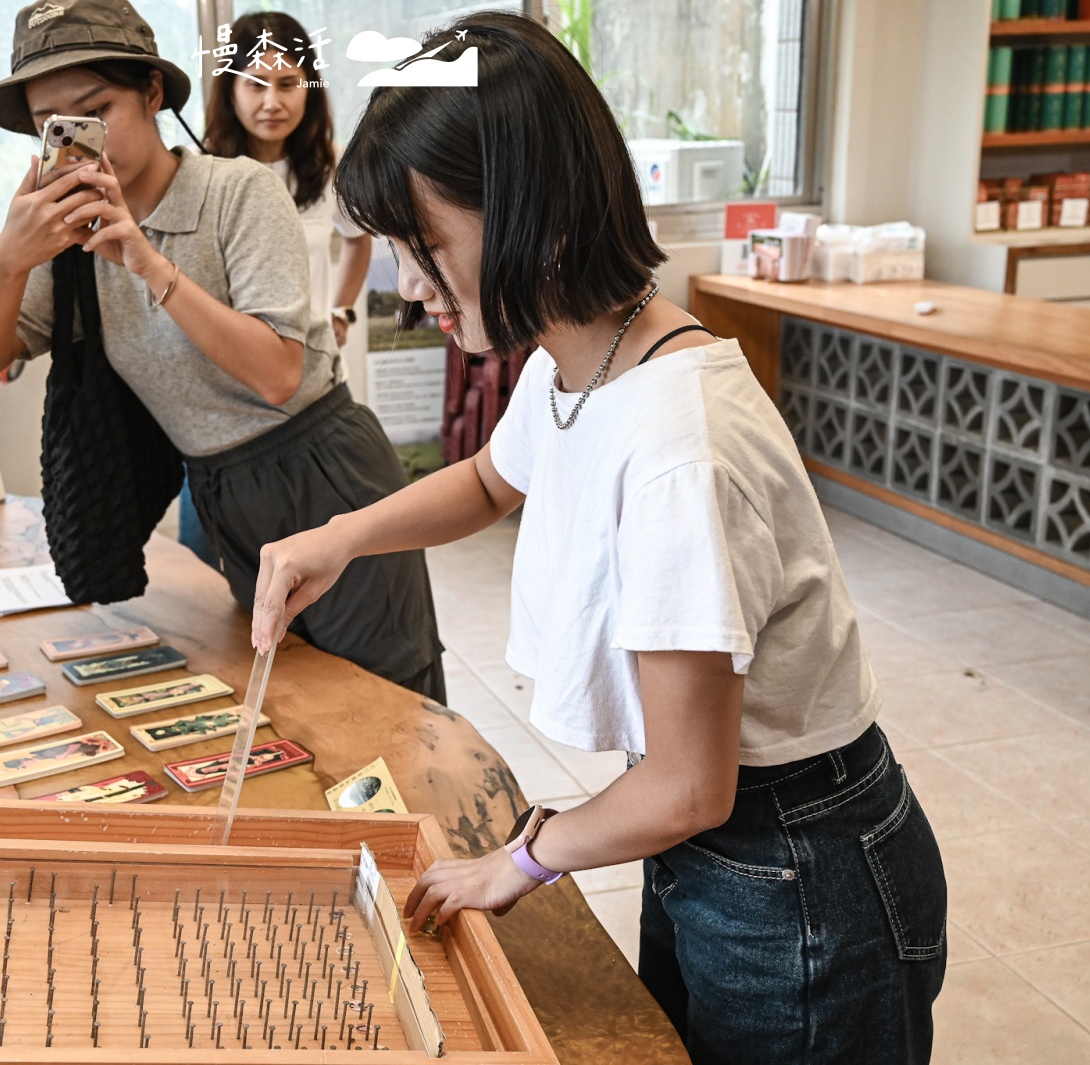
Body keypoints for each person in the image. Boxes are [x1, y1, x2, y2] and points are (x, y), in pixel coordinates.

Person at [250, 13, 945, 1065]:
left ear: (533, 212)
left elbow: (685, 785)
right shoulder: (578, 362)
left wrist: (521, 860)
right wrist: (340, 536)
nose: (402, 286)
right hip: (718, 848)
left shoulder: (676, 448)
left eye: (421, 246)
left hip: (796, 868)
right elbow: (492, 479)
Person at [0, 0, 444, 701]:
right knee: (293, 707)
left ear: (152, 93)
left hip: (321, 472)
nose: (75, 140)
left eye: (96, 110)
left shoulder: (236, 193)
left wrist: (147, 262)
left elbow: (279, 373)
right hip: (221, 491)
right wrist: (7, 259)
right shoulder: (62, 240)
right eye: (50, 128)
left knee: (392, 699)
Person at [180, 9, 373, 568]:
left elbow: (357, 241)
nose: (273, 101)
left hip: (310, 380)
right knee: (208, 554)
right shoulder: (200, 173)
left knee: (312, 536)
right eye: (256, 84)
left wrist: (342, 309)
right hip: (225, 386)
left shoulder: (330, 169)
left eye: (289, 84)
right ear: (230, 90)